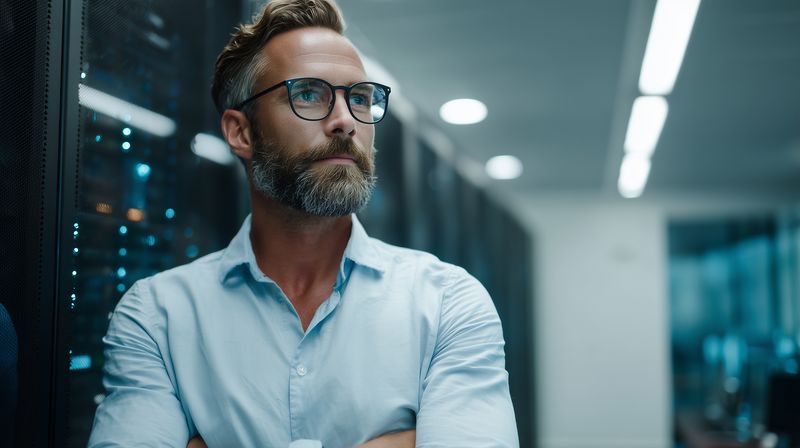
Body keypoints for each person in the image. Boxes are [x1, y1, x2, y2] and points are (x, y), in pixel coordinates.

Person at [88, 0, 519, 446]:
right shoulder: (156, 317)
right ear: (241, 132)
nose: (345, 121)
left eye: (360, 98)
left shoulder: (447, 303)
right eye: (308, 94)